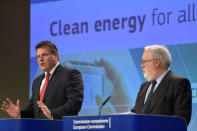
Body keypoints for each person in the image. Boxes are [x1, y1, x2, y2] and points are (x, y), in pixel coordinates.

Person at [1, 41, 84, 119]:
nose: (40, 59)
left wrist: (52, 114)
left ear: (55, 55)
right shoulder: (37, 81)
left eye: (44, 55)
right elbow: (33, 110)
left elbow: (74, 104)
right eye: (38, 56)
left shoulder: (70, 74)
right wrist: (20, 114)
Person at [131, 45, 192, 125]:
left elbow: (181, 119)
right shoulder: (144, 86)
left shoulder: (179, 83)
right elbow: (135, 113)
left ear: (156, 63)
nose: (142, 65)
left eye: (144, 61)